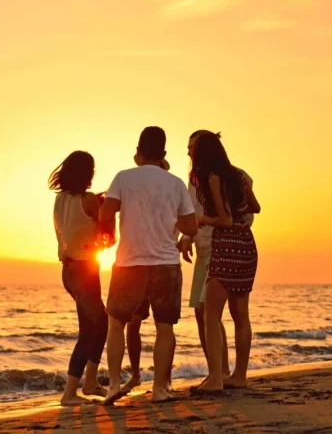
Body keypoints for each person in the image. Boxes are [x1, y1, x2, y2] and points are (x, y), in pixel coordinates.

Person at [99, 127, 198, 404]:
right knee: (164, 327)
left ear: (138, 152)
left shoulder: (123, 177)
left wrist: (109, 232)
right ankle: (158, 389)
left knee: (116, 324)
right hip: (166, 263)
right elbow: (191, 227)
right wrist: (168, 220)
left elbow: (106, 213)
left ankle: (114, 385)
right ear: (163, 154)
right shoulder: (175, 183)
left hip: (129, 263)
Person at [178, 131, 256, 381]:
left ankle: (218, 374)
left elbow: (225, 218)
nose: (189, 152)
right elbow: (253, 209)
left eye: (193, 147)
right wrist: (189, 236)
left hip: (220, 247)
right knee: (226, 312)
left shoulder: (208, 177)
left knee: (209, 312)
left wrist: (205, 222)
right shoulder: (234, 175)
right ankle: (231, 374)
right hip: (231, 246)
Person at [50, 150, 110, 405]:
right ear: (87, 174)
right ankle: (70, 393)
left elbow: (74, 225)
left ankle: (90, 383)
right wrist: (106, 207)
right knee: (90, 329)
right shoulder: (89, 200)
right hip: (85, 270)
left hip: (69, 270)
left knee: (100, 322)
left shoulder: (61, 199)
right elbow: (107, 235)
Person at [118, 158, 175, 398]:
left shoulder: (169, 194)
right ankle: (136, 375)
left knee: (165, 325)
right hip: (138, 265)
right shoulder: (139, 194)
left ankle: (164, 379)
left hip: (161, 264)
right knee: (134, 323)